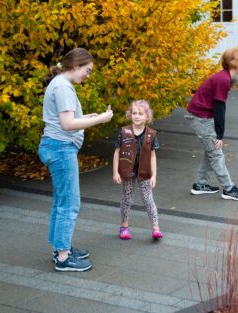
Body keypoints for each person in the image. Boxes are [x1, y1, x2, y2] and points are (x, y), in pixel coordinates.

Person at [38, 48, 113, 272]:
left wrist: (86, 118)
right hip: (61, 149)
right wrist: (99, 119)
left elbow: (68, 119)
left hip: (57, 146)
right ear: (75, 65)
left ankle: (62, 248)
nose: (88, 76)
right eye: (87, 70)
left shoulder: (61, 84)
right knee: (69, 204)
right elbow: (68, 125)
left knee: (62, 201)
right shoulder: (63, 87)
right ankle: (63, 258)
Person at [185, 47, 238, 201]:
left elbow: (219, 106)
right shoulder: (223, 80)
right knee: (216, 153)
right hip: (200, 117)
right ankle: (228, 189)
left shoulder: (226, 77)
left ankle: (200, 185)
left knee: (210, 151)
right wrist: (219, 135)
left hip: (203, 115)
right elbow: (220, 108)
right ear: (234, 64)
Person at [112, 100, 163, 240]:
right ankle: (124, 226)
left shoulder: (151, 134)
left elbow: (153, 156)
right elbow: (117, 152)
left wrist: (154, 175)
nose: (137, 116)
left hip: (145, 171)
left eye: (140, 113)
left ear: (147, 116)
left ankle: (156, 228)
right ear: (130, 115)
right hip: (127, 171)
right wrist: (115, 172)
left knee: (148, 199)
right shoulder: (124, 132)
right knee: (127, 198)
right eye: (134, 113)